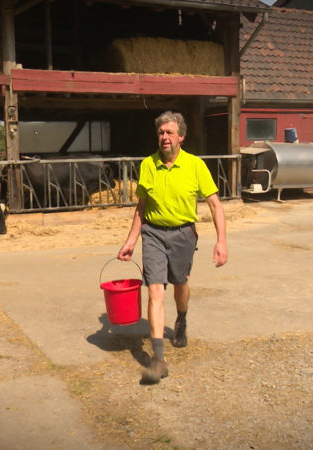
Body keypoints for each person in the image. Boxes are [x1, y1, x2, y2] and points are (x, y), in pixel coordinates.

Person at [117, 111, 227, 384]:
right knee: (155, 290)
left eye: (169, 132)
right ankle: (158, 359)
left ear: (181, 137)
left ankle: (181, 319)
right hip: (152, 233)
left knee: (180, 284)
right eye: (160, 133)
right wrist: (131, 240)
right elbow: (141, 207)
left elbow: (214, 204)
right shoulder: (147, 165)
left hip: (183, 235)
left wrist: (221, 240)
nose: (164, 137)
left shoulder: (195, 165)